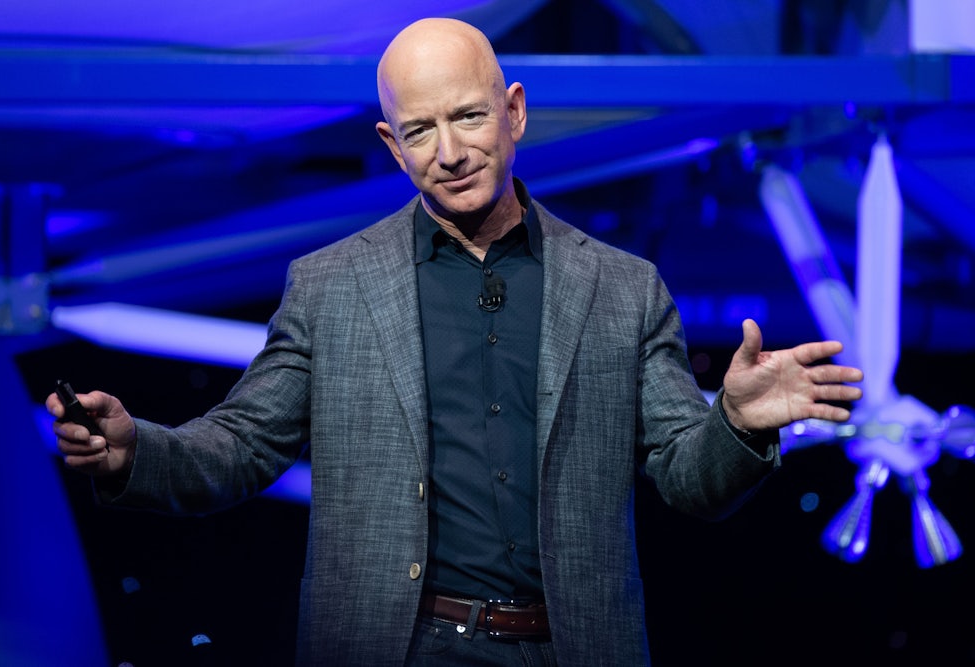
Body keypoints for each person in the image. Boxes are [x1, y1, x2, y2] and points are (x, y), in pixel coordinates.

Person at [49, 17, 864, 667]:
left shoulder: (622, 289)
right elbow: (240, 446)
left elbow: (690, 477)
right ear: (391, 145)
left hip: (566, 647)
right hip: (397, 647)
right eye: (420, 130)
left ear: (514, 111)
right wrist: (134, 452)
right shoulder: (332, 287)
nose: (449, 153)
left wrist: (737, 423)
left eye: (469, 116)